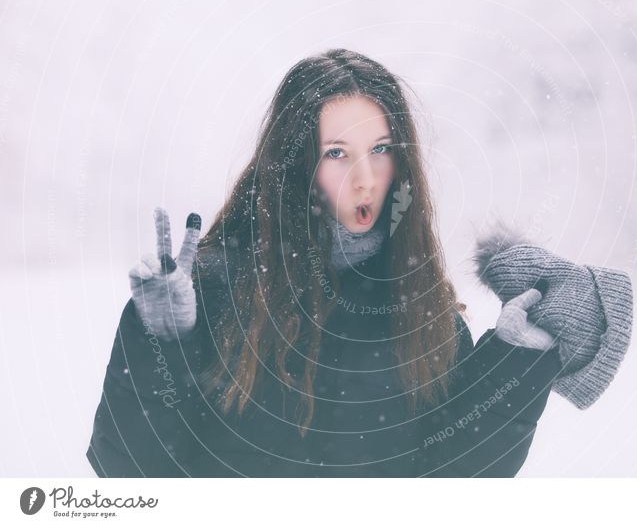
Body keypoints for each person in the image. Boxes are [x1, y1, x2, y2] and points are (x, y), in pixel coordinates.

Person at [84, 48, 570, 478]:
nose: (365, 179)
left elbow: (451, 486)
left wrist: (513, 360)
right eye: (337, 153)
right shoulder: (212, 291)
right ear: (297, 163)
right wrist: (161, 341)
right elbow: (130, 475)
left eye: (380, 150)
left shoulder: (425, 313)